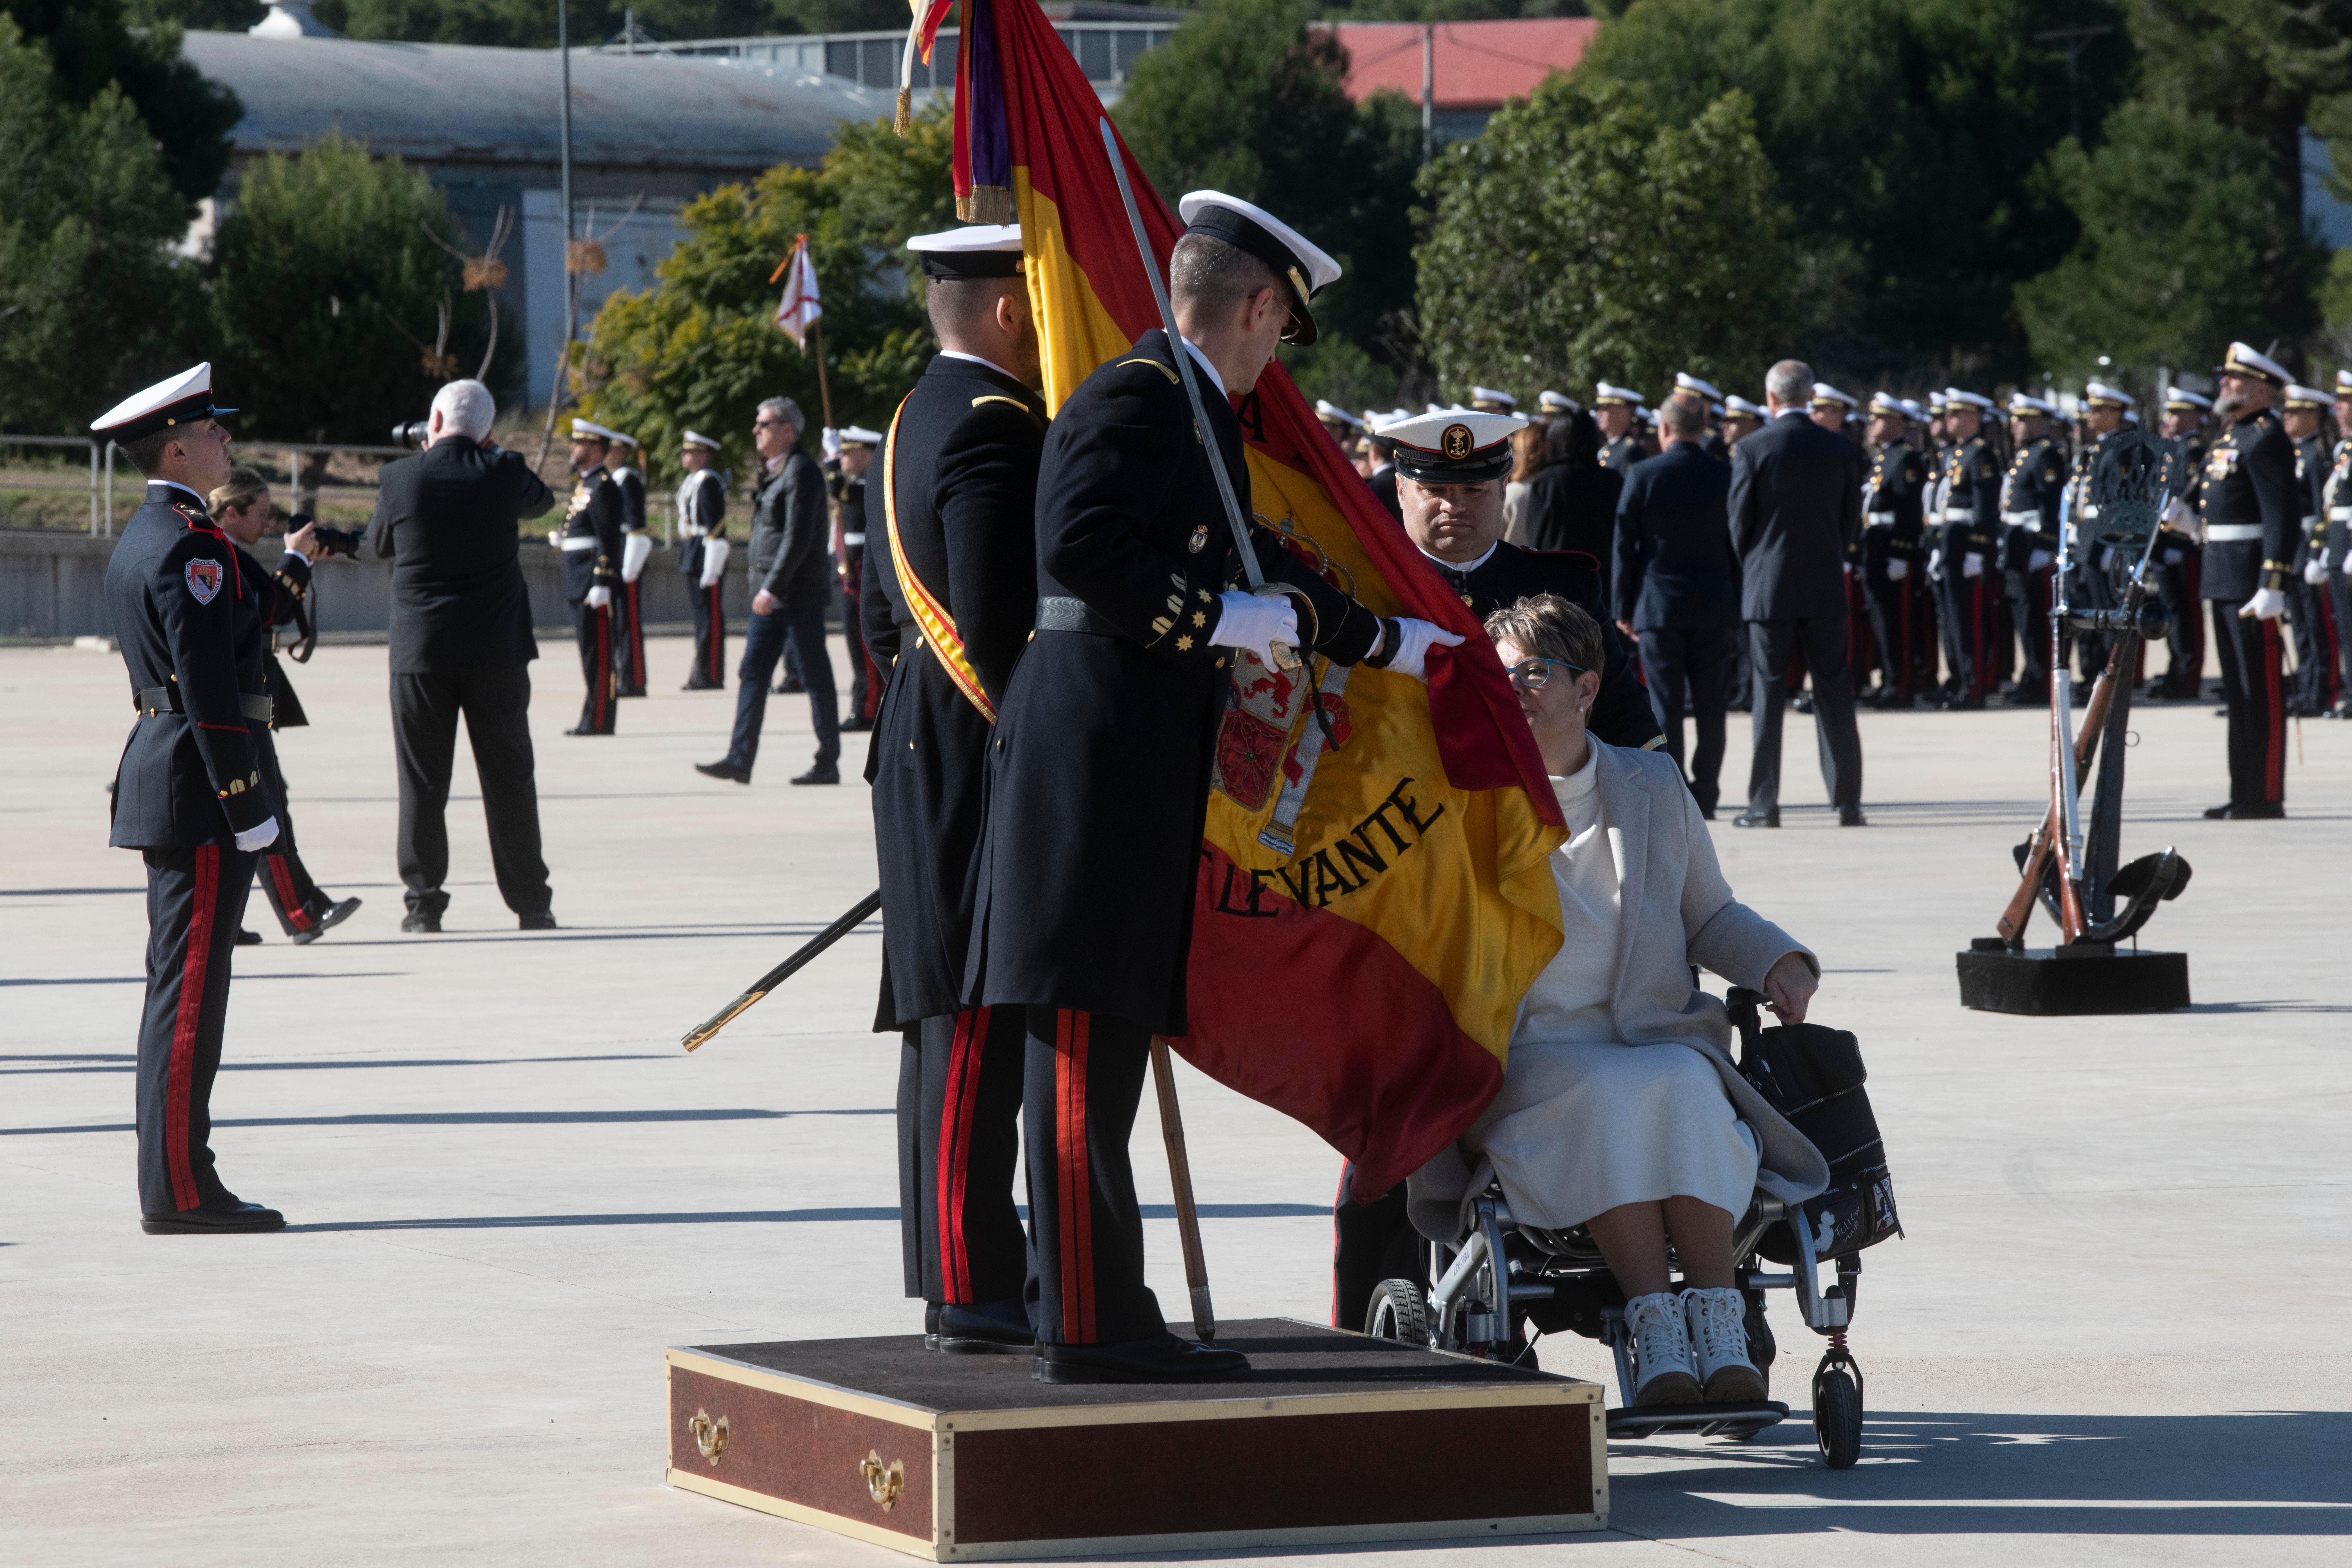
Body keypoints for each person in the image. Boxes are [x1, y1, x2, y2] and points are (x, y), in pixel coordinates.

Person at [963, 190, 1463, 1384]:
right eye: (1282, 327)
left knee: (1112, 1035)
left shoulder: (1193, 416)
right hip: (1092, 760)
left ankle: (1091, 1302)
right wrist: (1214, 622)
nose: (1277, 353)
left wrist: (1388, 642)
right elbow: (1078, 541)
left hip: (1128, 760)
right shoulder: (1137, 398)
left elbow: (1268, 565)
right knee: (1086, 1039)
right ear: (1252, 306)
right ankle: (1091, 1322)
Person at [1407, 593, 1827, 1404]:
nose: (1515, 690)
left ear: (1587, 689)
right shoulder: (1461, 797)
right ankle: (1652, 1322)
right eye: (1500, 679)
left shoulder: (1651, 782)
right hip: (1527, 1052)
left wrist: (1778, 959)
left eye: (1533, 673)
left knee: (1681, 1081)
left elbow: (1708, 913)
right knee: (1611, 1091)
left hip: (1650, 1034)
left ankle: (1717, 1319)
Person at [1328, 405, 1665, 1335]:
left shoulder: (1558, 588)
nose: (1453, 510)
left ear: (1503, 495)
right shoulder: (1355, 595)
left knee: (1559, 1102)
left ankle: (1597, 1308)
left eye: (1473, 490)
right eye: (1432, 492)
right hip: (1405, 904)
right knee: (1394, 1127)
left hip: (1549, 901)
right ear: (1396, 489)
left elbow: (1633, 739)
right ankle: (1373, 1335)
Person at [863, 224, 1050, 1355]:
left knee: (945, 1020)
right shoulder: (992, 427)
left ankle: (956, 1264)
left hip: (923, 728)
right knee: (975, 1016)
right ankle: (973, 1279)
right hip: (976, 737)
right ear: (1009, 311)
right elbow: (994, 624)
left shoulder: (914, 411)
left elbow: (891, 611)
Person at [95, 363, 288, 1234]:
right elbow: (209, 688)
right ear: (177, 444)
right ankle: (178, 1187)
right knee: (188, 998)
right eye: (213, 431)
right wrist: (249, 805)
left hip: (168, 772)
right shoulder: (192, 544)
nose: (227, 441)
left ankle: (180, 1174)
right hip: (197, 786)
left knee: (180, 988)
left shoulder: (149, 532)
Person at [366, 377, 558, 934]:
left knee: (423, 780)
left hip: (421, 650)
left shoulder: (399, 477)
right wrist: (493, 453)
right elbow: (543, 500)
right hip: (496, 649)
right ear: (490, 432)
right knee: (510, 777)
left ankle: (424, 903)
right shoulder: (505, 472)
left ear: (433, 421)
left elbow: (379, 545)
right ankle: (531, 902)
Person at [207, 468, 361, 945]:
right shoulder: (221, 552)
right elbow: (268, 608)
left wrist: (301, 561)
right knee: (265, 805)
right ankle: (300, 910)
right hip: (235, 701)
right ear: (231, 514)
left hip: (241, 696)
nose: (269, 523)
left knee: (243, 814)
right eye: (261, 513)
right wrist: (295, 557)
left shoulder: (228, 551)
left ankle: (224, 921)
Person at [1728, 360, 1865, 827]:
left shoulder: (1750, 447)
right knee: (1834, 692)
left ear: (1770, 398)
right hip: (1824, 582)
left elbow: (1739, 526)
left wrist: (1759, 565)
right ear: (1810, 397)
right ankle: (1847, 800)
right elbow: (1850, 523)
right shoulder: (1840, 447)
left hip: (1769, 588)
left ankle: (1764, 804)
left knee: (1768, 695)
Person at [698, 397, 837, 785]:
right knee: (753, 674)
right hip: (772, 598)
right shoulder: (777, 472)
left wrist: (771, 588)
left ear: (788, 430)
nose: (756, 431)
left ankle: (828, 761)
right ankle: (740, 760)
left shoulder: (802, 472)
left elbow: (798, 538)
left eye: (764, 424)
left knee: (814, 677)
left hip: (796, 597)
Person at [1613, 391, 1738, 814]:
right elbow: (1737, 544)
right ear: (1703, 429)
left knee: (1665, 703)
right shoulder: (1725, 474)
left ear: (1664, 429)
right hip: (1714, 605)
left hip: (1659, 606)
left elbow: (1625, 546)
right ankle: (1708, 793)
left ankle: (1676, 792)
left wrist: (1622, 607)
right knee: (1712, 704)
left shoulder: (1644, 473)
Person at [2199, 343, 2298, 819]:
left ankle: (2264, 794)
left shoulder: (2265, 437)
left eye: (2233, 380)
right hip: (2221, 574)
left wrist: (2273, 582)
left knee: (2260, 691)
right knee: (2237, 691)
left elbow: (2281, 517)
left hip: (2250, 583)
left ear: (2261, 389)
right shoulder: (2231, 435)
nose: (2224, 385)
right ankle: (2243, 791)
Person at [1859, 392, 1933, 708]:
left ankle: (1900, 685)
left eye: (1878, 419)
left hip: (1892, 553)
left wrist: (1901, 554)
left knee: (1897, 623)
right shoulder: (1884, 457)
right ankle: (1890, 680)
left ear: (1894, 422)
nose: (1872, 424)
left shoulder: (1905, 457)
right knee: (1881, 621)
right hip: (1875, 550)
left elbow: (1908, 511)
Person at [1931, 389, 2004, 709]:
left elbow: (1984, 508)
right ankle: (1961, 680)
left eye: (1954, 414)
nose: (1948, 420)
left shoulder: (1981, 454)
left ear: (1972, 418)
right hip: (1951, 544)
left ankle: (1974, 687)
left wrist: (1977, 549)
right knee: (1952, 618)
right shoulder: (1957, 454)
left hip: (1967, 547)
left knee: (1969, 619)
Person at [554, 419, 626, 736]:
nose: (573, 448)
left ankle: (599, 719)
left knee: (598, 655)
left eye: (579, 443)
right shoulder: (587, 484)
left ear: (596, 449)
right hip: (578, 578)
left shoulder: (604, 486)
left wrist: (602, 580)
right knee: (589, 654)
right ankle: (591, 716)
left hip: (591, 582)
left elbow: (609, 537)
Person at [2062, 384, 2133, 697]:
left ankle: (2106, 676)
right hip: (2088, 542)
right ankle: (2091, 672)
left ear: (2116, 413)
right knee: (2086, 612)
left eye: (2099, 409)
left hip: (2104, 542)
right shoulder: (2095, 450)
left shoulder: (2122, 449)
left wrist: (2117, 545)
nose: (2091, 416)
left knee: (2105, 614)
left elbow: (2125, 502)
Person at [1999, 394, 2067, 705]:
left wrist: (2045, 545)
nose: (2016, 426)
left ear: (2040, 422)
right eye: (2015, 420)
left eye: (2023, 420)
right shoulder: (2025, 455)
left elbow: (2051, 504)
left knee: (2037, 617)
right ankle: (2032, 671)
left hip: (2033, 548)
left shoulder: (2045, 455)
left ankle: (2041, 676)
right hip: (2017, 546)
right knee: (2022, 614)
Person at [2152, 387, 2212, 698]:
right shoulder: (2172, 449)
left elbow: (2195, 501)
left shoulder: (2194, 450)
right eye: (2169, 412)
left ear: (2192, 416)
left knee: (2187, 612)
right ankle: (2177, 667)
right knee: (2171, 610)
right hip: (2164, 544)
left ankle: (2189, 674)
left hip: (2183, 545)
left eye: (2177, 413)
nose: (2170, 419)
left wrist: (2181, 533)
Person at [2282, 384, 2339, 716]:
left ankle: (2322, 691)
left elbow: (2322, 509)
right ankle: (2305, 688)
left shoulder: (2318, 454)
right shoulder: (2296, 453)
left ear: (2312, 415)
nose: (2287, 417)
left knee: (2317, 625)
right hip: (2295, 548)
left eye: (2294, 412)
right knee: (2301, 626)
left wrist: (2318, 552)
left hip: (2310, 548)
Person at [831, 424, 883, 731]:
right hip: (850, 568)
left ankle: (867, 709)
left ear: (866, 454)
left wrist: (828, 463)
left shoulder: (867, 484)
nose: (842, 458)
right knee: (855, 643)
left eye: (848, 453)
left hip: (864, 567)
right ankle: (863, 703)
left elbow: (836, 489)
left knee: (865, 643)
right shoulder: (855, 483)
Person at [1519, 408, 1622, 560]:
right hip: (1599, 575)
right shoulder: (1613, 480)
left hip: (1556, 576)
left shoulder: (1547, 481)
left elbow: (1535, 537)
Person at [675, 430, 730, 691]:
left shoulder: (708, 482)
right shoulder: (693, 481)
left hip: (706, 552)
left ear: (703, 455)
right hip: (693, 550)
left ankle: (711, 673)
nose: (686, 456)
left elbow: (716, 527)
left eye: (691, 452)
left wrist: (713, 566)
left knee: (710, 617)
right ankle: (702, 671)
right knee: (701, 618)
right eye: (686, 452)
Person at [609, 430, 652, 699]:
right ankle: (624, 675)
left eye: (612, 449)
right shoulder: (612, 479)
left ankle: (635, 680)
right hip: (616, 552)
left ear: (623, 451)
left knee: (629, 621)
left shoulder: (628, 480)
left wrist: (631, 565)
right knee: (618, 621)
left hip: (627, 554)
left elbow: (637, 525)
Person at [2320, 374, 2352, 717]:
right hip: (2340, 546)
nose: (2337, 409)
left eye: (2343, 402)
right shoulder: (2344, 449)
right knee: (2345, 624)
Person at [1500, 421, 1545, 545]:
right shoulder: (1555, 489)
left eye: (1515, 450)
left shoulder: (1513, 492)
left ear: (1527, 454)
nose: (1512, 454)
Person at [1594, 383, 1646, 473]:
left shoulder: (1630, 450)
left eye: (1606, 408)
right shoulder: (1611, 446)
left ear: (1624, 412)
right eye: (1599, 408)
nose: (1599, 413)